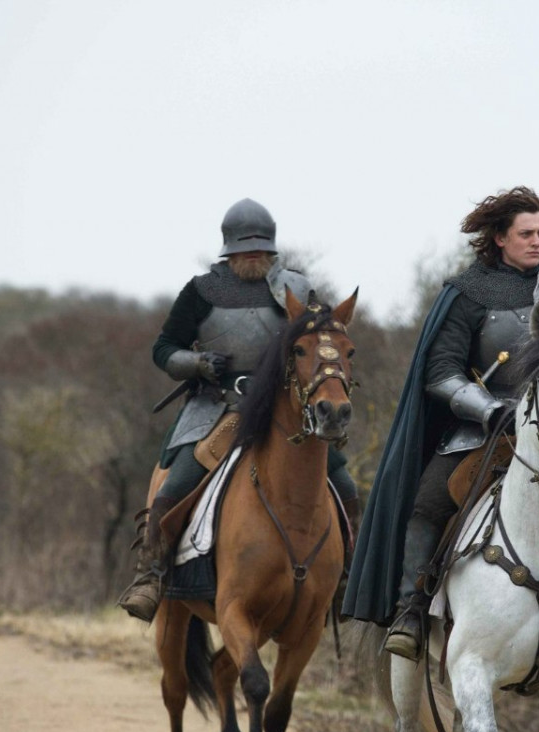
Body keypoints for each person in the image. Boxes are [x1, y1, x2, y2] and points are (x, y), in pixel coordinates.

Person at [342, 186, 539, 672]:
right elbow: (440, 371)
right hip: (484, 430)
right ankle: (413, 612)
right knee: (427, 505)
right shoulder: (468, 294)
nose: (537, 241)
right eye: (527, 233)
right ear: (500, 239)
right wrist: (487, 409)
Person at [118, 198, 360, 622]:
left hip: (282, 411)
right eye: (245, 249)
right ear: (228, 249)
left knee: (344, 485)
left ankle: (347, 582)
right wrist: (196, 363)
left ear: (271, 248)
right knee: (172, 489)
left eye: (261, 248)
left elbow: (323, 340)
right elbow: (163, 349)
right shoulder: (200, 291)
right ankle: (150, 575)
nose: (253, 255)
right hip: (217, 409)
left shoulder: (298, 291)